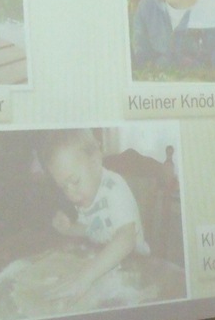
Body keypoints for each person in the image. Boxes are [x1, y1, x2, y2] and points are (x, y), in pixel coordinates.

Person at [40, 129, 150, 302]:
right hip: (105, 265)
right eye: (63, 187)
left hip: (136, 267)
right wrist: (68, 229)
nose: (70, 193)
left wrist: (85, 276)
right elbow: (89, 229)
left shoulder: (114, 188)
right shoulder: (83, 196)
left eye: (74, 181)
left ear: (95, 161)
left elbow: (126, 238)